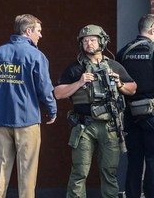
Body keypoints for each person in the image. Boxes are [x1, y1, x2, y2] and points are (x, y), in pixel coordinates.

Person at [0, 14, 57, 198]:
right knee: (27, 172)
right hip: (27, 120)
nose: (41, 35)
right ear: (28, 31)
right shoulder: (36, 56)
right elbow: (45, 89)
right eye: (39, 31)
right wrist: (52, 110)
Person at [54, 24, 137, 198]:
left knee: (110, 172)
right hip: (85, 127)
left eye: (92, 40)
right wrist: (79, 82)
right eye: (85, 41)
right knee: (79, 172)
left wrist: (119, 84)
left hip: (110, 127)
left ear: (102, 42)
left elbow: (133, 88)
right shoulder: (75, 68)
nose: (88, 44)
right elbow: (58, 93)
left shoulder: (114, 66)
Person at [116, 14, 154, 198]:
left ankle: (132, 194)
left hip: (130, 113)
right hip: (152, 113)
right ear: (153, 29)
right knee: (152, 159)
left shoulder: (124, 51)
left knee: (134, 159)